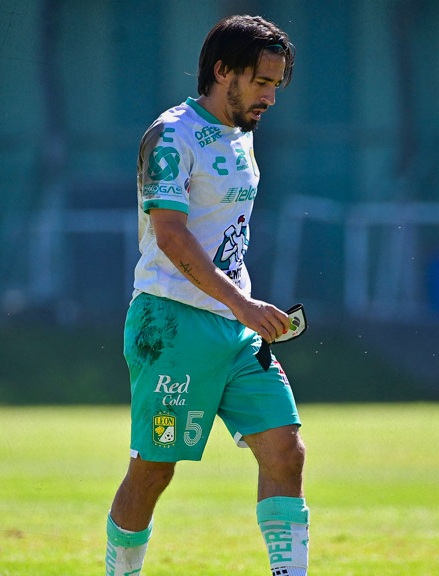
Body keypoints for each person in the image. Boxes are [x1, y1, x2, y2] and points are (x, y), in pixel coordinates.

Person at [104, 14, 309, 576]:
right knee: (153, 471)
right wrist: (243, 304)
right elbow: (169, 234)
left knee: (285, 451)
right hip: (169, 327)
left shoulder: (241, 135)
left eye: (276, 84)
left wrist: (242, 308)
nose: (270, 95)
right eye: (262, 81)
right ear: (223, 72)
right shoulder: (170, 135)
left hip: (235, 332)